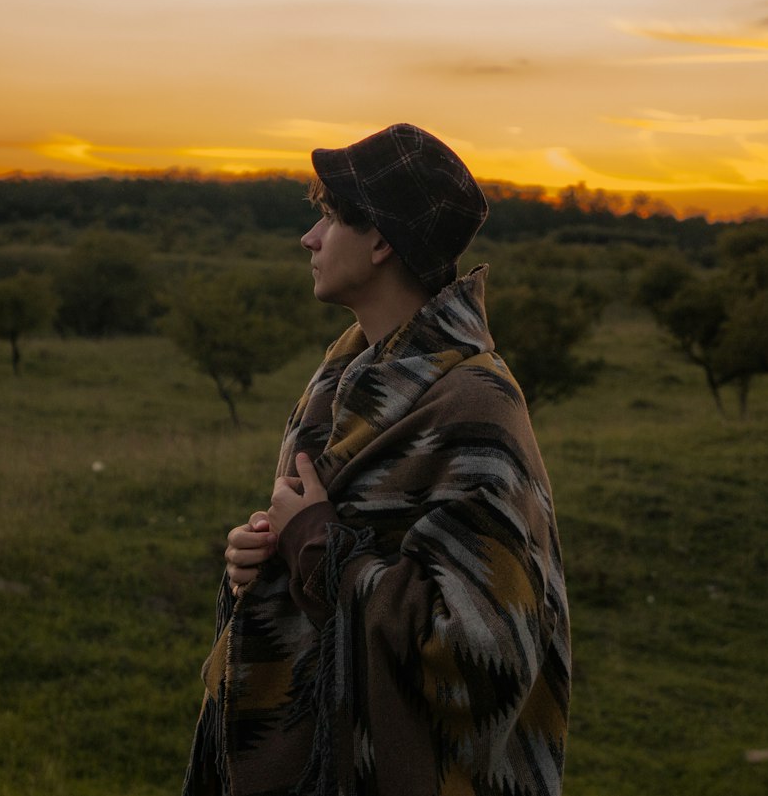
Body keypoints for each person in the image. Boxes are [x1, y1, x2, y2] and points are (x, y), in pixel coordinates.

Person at [183, 123, 570, 796]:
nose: (309, 238)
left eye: (330, 217)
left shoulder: (474, 406)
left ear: (382, 241)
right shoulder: (345, 377)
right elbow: (335, 530)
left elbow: (483, 654)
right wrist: (263, 551)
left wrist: (313, 542)